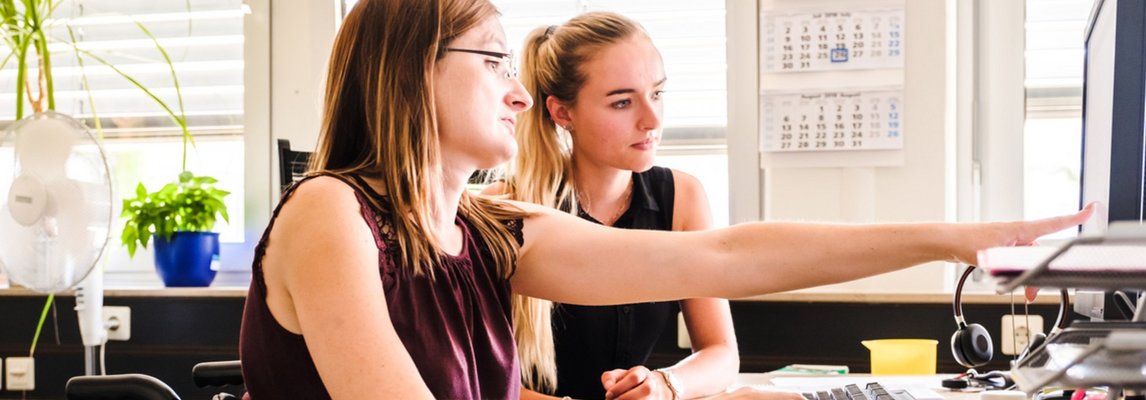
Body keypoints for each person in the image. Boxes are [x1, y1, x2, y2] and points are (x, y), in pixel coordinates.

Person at [237, 0, 1094, 398]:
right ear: (411, 71)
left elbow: (721, 257)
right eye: (493, 60)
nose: (519, 93)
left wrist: (960, 239)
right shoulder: (329, 212)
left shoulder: (487, 228)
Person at [483, 12, 737, 399]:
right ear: (562, 113)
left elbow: (721, 353)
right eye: (622, 103)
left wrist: (666, 385)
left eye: (657, 94)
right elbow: (470, 375)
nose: (652, 120)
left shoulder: (682, 197)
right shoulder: (501, 208)